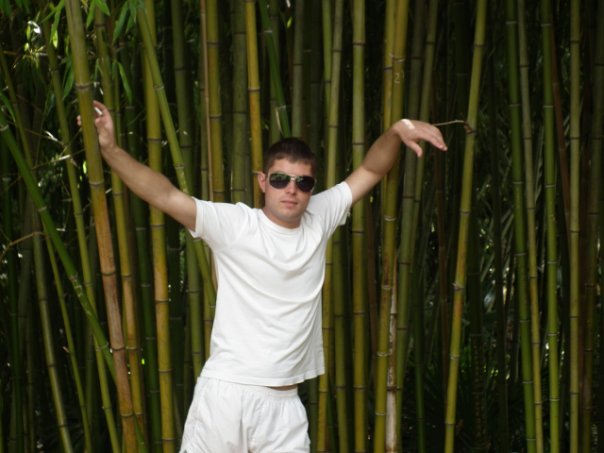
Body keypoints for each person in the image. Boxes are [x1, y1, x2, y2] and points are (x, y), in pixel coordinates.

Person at [83, 100, 447, 452]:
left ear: (312, 187)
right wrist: (110, 150)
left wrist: (396, 131)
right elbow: (165, 195)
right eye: (280, 179)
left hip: (285, 405)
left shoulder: (320, 217)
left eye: (303, 183)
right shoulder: (235, 225)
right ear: (262, 181)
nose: (291, 189)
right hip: (228, 396)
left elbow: (370, 170)